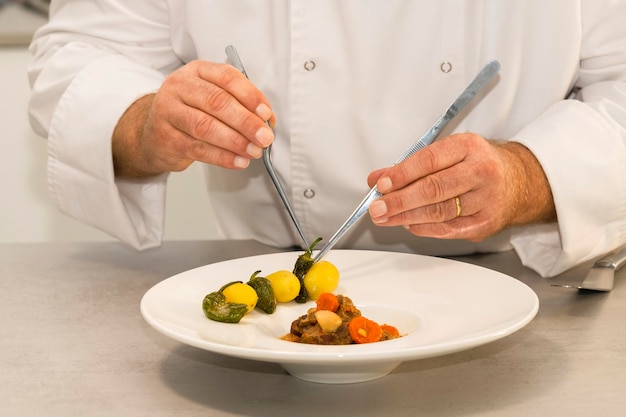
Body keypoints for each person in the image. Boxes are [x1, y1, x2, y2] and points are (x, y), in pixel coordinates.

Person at [28, 1, 626, 277]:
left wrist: (528, 178)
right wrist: (147, 122)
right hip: (263, 305)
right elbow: (79, 55)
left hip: (524, 290)